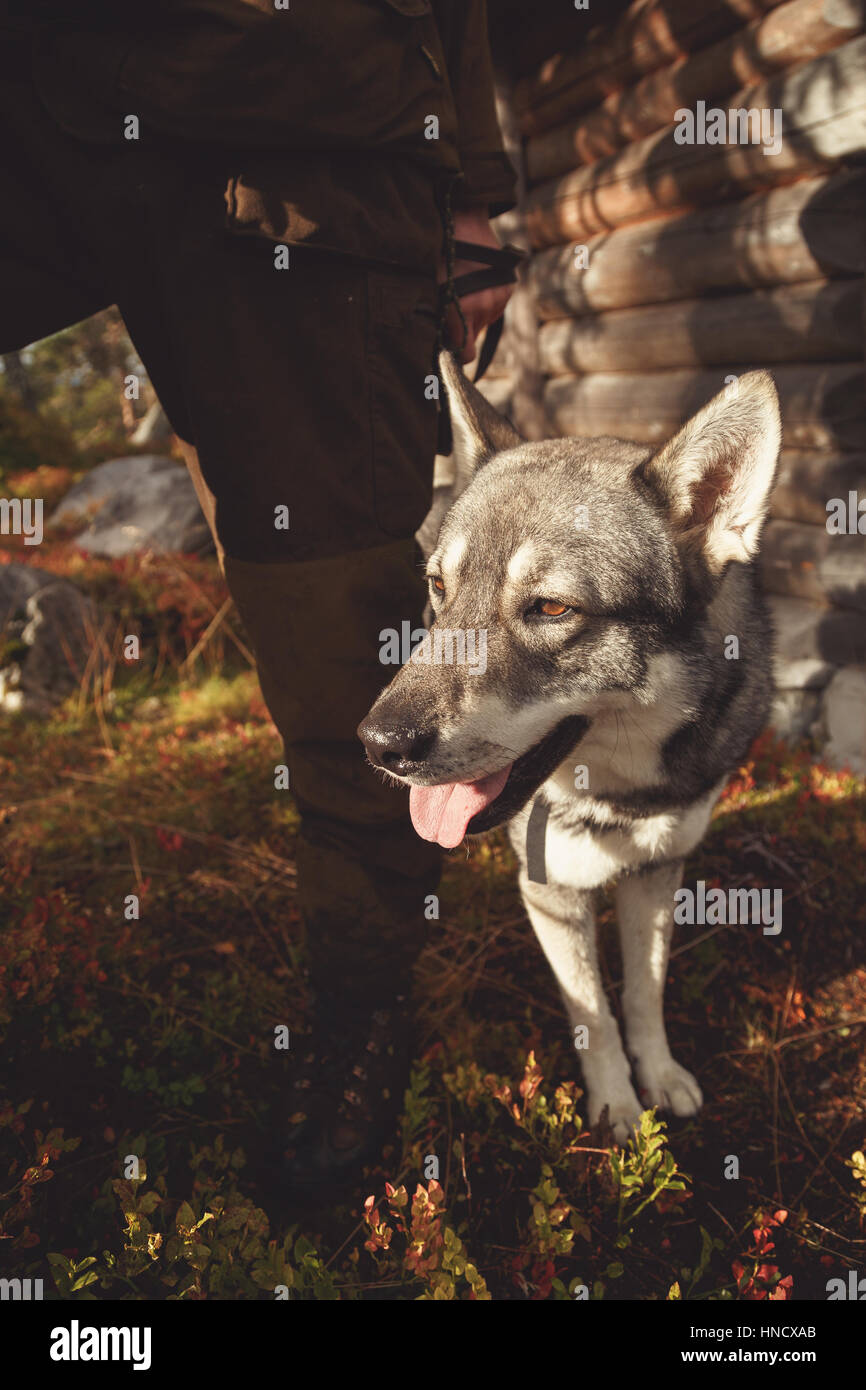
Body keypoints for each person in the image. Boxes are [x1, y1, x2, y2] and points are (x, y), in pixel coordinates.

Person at [0, 1, 515, 1180]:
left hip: (299, 120)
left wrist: (471, 189)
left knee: (334, 621)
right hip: (33, 86)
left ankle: (358, 1005)